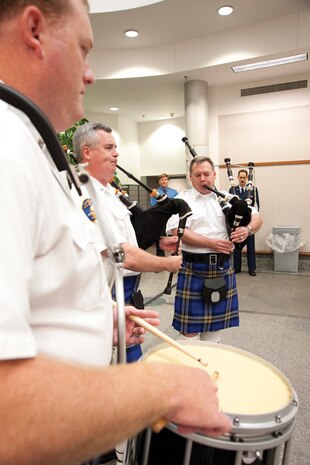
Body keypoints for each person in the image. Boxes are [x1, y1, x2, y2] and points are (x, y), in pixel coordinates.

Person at [0, 3, 232, 464]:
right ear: (34, 30)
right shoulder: (6, 149)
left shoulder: (29, 147)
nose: (89, 74)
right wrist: (160, 388)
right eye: (84, 50)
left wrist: (96, 315)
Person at [72, 122, 182, 362]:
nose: (116, 154)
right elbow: (119, 252)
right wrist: (166, 264)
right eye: (109, 148)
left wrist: (157, 245)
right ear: (87, 153)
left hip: (125, 288)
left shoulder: (108, 192)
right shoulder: (82, 193)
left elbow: (127, 236)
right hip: (101, 294)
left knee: (127, 362)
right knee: (101, 363)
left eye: (116, 148)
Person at [166, 156, 262, 343]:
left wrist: (246, 229)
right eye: (198, 175)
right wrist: (210, 243)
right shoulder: (181, 200)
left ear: (214, 175)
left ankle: (210, 370)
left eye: (207, 174)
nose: (203, 179)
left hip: (221, 269)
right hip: (194, 269)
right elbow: (176, 230)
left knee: (214, 329)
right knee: (189, 333)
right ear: (190, 177)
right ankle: (191, 371)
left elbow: (257, 217)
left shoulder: (227, 198)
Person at [229, 169, 260, 276]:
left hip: (249, 223)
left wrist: (251, 223)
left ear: (247, 178)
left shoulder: (253, 190)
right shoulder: (232, 190)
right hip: (237, 223)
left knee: (251, 247)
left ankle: (252, 269)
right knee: (237, 246)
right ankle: (237, 268)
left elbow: (256, 206)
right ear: (237, 178)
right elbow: (230, 207)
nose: (242, 179)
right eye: (240, 177)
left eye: (244, 177)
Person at [150, 173, 178, 256]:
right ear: (159, 181)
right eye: (162, 180)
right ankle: (160, 256)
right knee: (160, 236)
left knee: (173, 235)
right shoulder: (155, 193)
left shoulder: (174, 192)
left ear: (168, 181)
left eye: (165, 179)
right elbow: (153, 205)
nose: (164, 181)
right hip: (160, 217)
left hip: (172, 217)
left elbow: (177, 204)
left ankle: (174, 253)